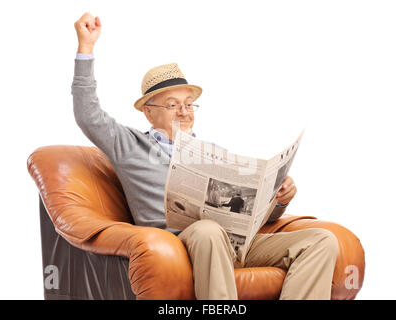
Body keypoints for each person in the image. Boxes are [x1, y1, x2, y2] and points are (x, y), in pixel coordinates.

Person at [72, 12, 339, 300]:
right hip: (186, 243)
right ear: (148, 111)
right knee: (207, 230)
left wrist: (279, 200)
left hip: (235, 244)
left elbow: (255, 218)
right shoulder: (130, 144)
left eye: (189, 104)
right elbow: (87, 114)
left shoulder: (213, 153)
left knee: (322, 240)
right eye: (173, 105)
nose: (185, 112)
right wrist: (86, 48)